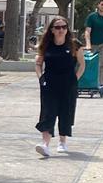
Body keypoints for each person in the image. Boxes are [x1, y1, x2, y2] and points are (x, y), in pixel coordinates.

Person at [34, 16, 84, 158]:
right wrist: (40, 78)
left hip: (68, 84)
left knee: (65, 112)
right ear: (52, 30)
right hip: (49, 83)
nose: (61, 30)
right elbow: (38, 63)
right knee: (48, 112)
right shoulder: (46, 45)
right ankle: (45, 144)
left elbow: (82, 64)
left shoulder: (74, 44)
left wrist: (75, 79)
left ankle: (62, 141)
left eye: (64, 27)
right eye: (57, 27)